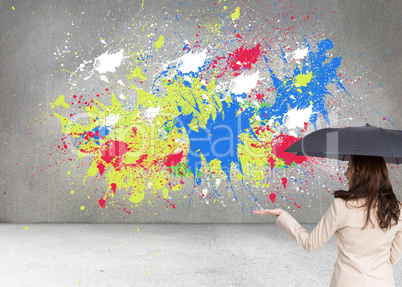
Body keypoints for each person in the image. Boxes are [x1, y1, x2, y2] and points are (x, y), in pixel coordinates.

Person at [253, 155, 402, 286]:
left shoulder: (341, 206)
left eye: (349, 168)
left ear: (360, 174)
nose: (345, 174)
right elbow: (393, 257)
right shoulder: (398, 209)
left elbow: (310, 244)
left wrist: (282, 215)